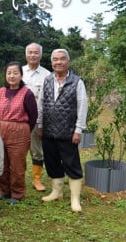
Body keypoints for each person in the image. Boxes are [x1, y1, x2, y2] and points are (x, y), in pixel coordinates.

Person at [37, 49, 88, 212]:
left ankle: (75, 199)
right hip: (49, 131)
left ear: (68, 62)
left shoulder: (77, 82)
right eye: (55, 59)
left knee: (72, 165)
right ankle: (56, 192)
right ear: (51, 62)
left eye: (62, 59)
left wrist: (78, 129)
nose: (58, 62)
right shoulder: (47, 80)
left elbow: (82, 107)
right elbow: (41, 103)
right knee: (52, 163)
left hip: (68, 132)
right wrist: (40, 124)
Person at [0, 61, 37, 204]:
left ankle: (17, 193)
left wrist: (24, 130)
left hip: (20, 130)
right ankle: (4, 190)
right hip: (1, 129)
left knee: (17, 165)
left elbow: (33, 116)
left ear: (21, 74)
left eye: (15, 73)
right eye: (9, 73)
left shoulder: (27, 93)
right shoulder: (1, 91)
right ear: (5, 75)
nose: (12, 76)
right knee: (0, 161)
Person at [22, 42, 50, 192]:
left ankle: (37, 180)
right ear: (26, 54)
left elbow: (48, 101)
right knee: (18, 149)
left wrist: (43, 123)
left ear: (40, 55)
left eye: (36, 52)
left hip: (38, 118)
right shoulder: (19, 72)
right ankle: (18, 178)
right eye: (30, 52)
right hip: (20, 118)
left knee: (37, 150)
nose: (33, 55)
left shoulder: (47, 74)